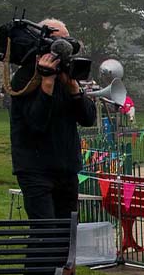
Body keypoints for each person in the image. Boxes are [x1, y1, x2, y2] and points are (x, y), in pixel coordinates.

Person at [8, 18, 97, 219]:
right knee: (45, 232)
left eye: (68, 41)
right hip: (35, 168)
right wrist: (46, 83)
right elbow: (36, 123)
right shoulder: (26, 77)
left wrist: (74, 88)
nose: (65, 47)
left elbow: (88, 118)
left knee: (67, 232)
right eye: (59, 41)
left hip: (66, 167)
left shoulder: (66, 75)